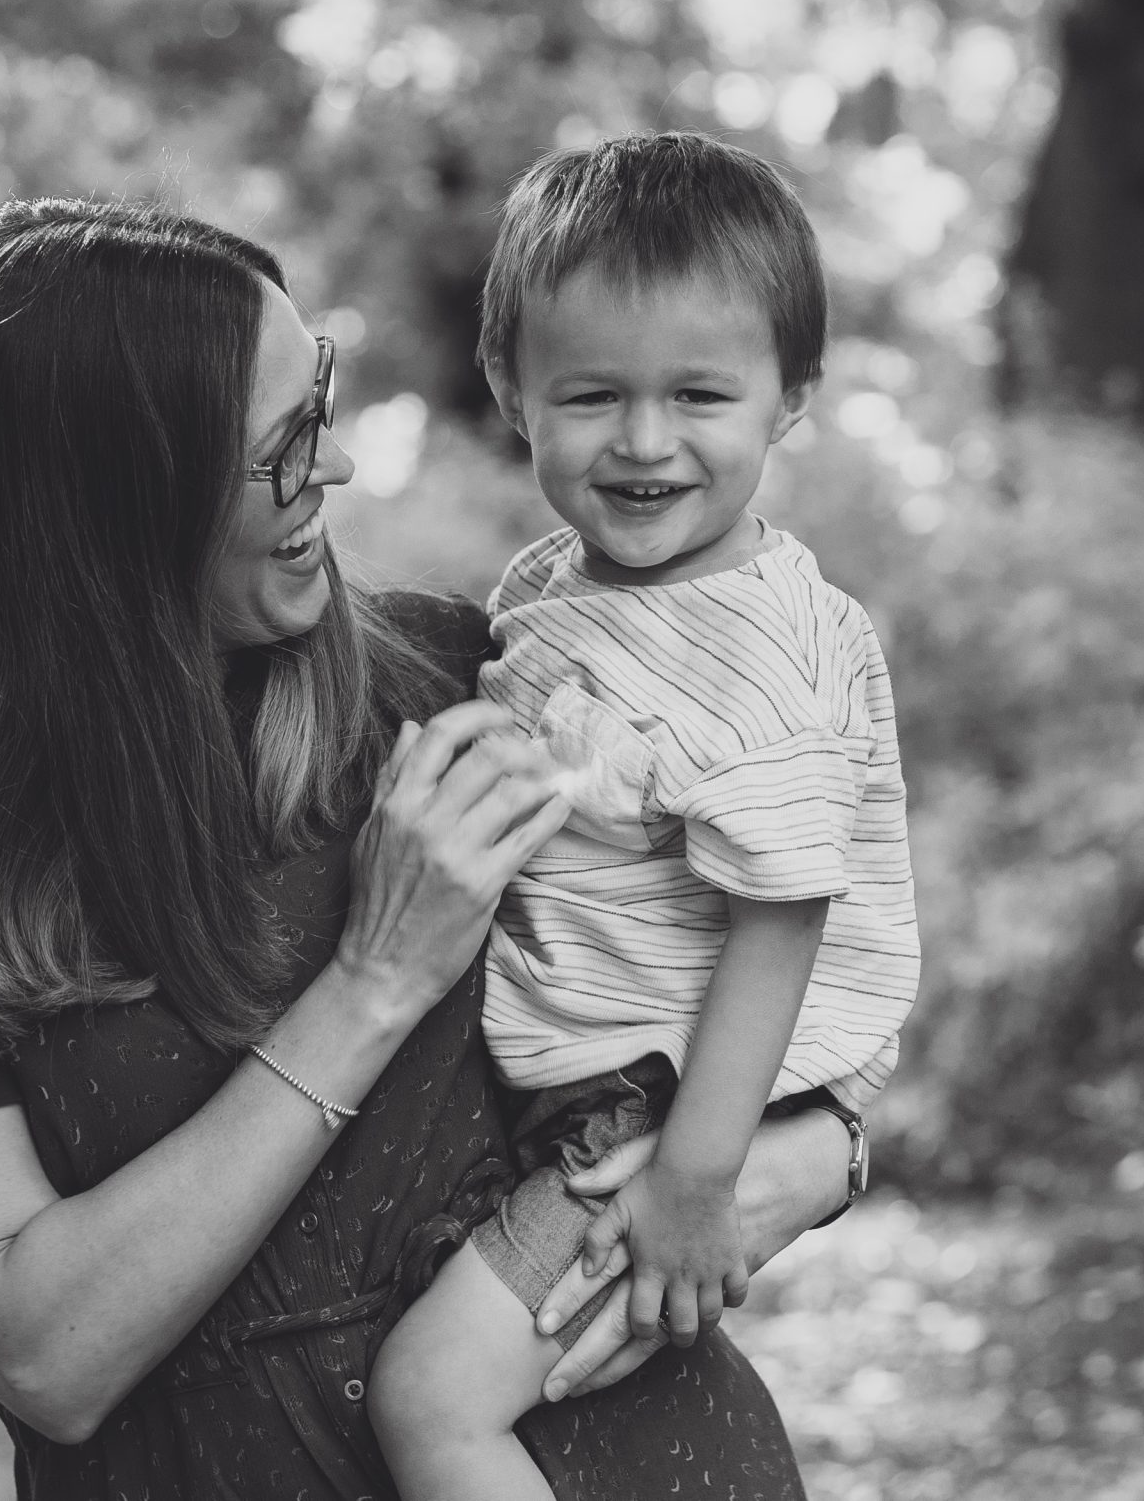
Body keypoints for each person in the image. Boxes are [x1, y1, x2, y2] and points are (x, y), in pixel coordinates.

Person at [0, 198, 857, 1500]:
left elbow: (784, 931)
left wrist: (806, 1158)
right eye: (277, 451)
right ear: (110, 511)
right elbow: (46, 1353)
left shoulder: (453, 682)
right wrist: (374, 983)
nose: (330, 472)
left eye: (317, 408)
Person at [366, 135, 920, 1501]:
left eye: (700, 395)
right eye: (596, 394)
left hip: (665, 1109)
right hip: (616, 1088)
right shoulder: (568, 583)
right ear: (513, 392)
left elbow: (784, 913)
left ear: (793, 394)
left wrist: (694, 1179)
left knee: (433, 1404)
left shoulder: (760, 640)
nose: (646, 442)